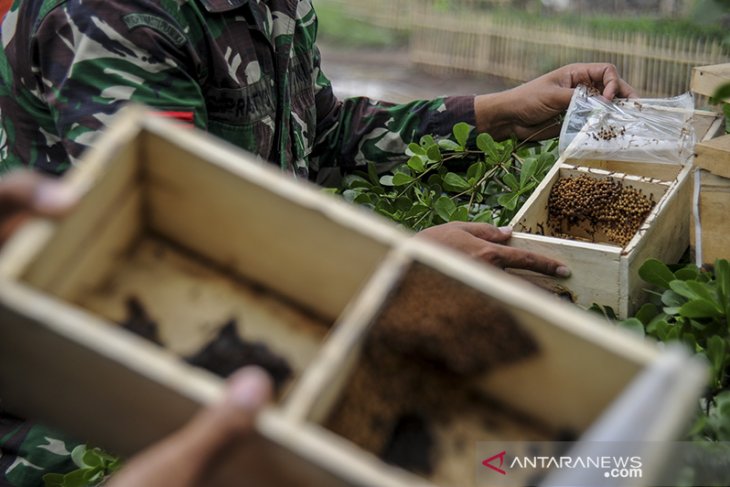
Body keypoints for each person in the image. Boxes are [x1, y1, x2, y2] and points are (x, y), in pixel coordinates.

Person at [0, 0, 635, 276]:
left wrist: (499, 114)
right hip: (81, 412)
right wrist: (392, 266)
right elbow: (162, 238)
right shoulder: (114, 16)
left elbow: (321, 132)